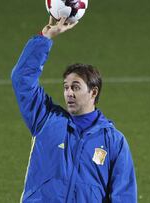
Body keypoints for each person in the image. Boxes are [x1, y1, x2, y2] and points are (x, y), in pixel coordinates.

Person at [11, 16, 137, 203]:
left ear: (93, 92)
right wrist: (45, 37)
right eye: (66, 87)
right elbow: (21, 79)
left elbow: (124, 196)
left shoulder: (113, 141)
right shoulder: (46, 118)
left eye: (75, 87)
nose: (68, 92)